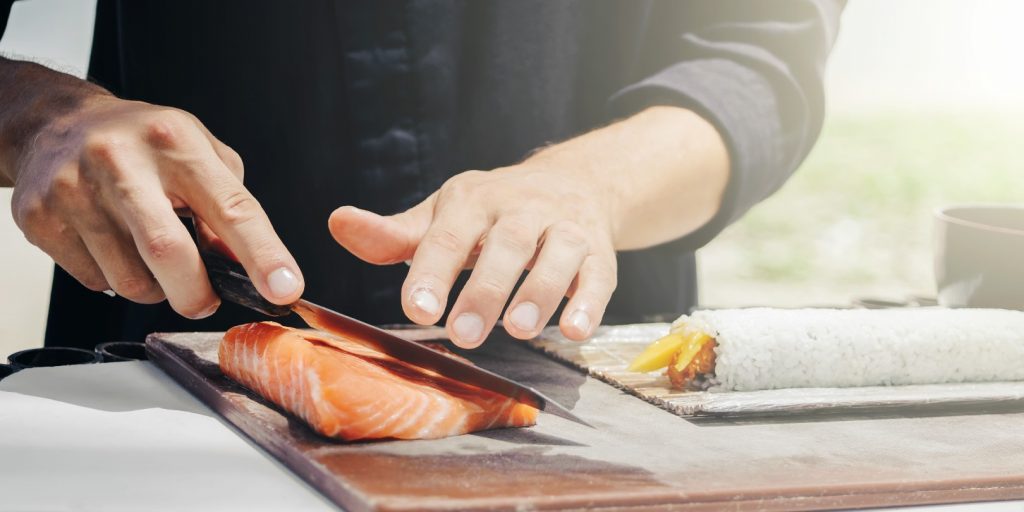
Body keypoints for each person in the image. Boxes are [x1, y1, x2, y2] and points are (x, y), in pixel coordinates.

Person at [0, 1, 844, 350]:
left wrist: (592, 186)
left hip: (579, 381)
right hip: (168, 354)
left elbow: (761, 59)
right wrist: (39, 120)